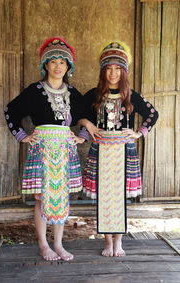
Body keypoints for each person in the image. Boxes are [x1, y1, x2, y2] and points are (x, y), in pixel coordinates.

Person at [4, 37, 89, 261]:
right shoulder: (34, 91)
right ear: (45, 66)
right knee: (42, 197)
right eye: (53, 61)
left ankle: (59, 244)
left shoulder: (73, 93)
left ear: (68, 67)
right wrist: (22, 136)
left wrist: (82, 136)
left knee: (61, 197)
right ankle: (43, 245)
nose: (58, 66)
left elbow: (88, 115)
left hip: (64, 150)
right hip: (41, 150)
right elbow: (10, 111)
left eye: (63, 62)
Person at [80, 41, 158, 257]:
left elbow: (153, 115)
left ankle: (119, 242)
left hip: (124, 151)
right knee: (104, 196)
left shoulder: (131, 96)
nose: (113, 73)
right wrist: (87, 125)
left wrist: (138, 132)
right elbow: (79, 113)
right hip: (101, 150)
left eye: (117, 68)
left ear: (123, 71)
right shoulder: (93, 95)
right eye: (108, 68)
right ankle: (106, 241)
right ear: (103, 70)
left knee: (120, 196)